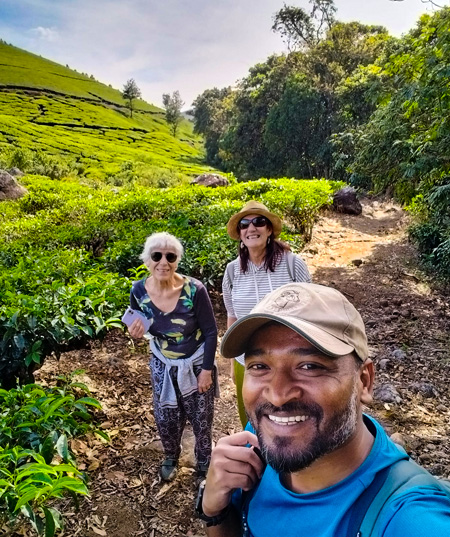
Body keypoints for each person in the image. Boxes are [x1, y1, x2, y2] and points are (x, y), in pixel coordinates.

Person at [197, 283, 450, 536]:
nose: (277, 396)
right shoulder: (259, 439)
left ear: (364, 382)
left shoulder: (408, 517)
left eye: (309, 366)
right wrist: (214, 511)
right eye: (260, 366)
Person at [127, 232, 218, 482]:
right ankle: (170, 455)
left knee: (201, 416)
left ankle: (203, 461)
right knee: (166, 415)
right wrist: (135, 332)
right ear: (147, 260)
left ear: (178, 260)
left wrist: (207, 370)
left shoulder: (194, 289)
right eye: (157, 256)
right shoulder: (138, 290)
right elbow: (139, 324)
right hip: (162, 361)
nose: (163, 262)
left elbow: (211, 331)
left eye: (170, 256)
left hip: (196, 359)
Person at [222, 201, 311, 427]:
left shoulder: (292, 263)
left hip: (288, 358)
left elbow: (311, 312)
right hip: (247, 359)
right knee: (252, 418)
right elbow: (232, 317)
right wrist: (234, 363)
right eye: (244, 224)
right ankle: (258, 459)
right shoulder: (232, 271)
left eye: (259, 222)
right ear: (240, 233)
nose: (251, 228)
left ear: (269, 229)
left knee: (288, 416)